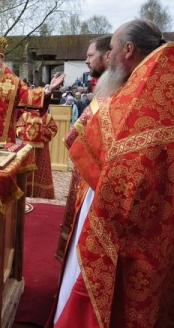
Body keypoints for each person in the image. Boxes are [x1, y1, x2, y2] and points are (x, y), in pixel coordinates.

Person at [49, 20, 174, 327]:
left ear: (128, 50)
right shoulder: (152, 84)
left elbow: (96, 146)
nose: (108, 58)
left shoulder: (142, 96)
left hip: (129, 218)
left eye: (114, 49)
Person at [55, 35, 111, 262]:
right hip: (91, 172)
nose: (86, 61)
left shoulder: (114, 90)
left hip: (97, 178)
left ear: (108, 55)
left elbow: (73, 135)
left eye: (89, 55)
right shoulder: (109, 88)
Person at [15, 108, 58, 199]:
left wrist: (39, 133)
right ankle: (25, 190)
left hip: (42, 150)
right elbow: (18, 127)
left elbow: (53, 130)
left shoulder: (48, 117)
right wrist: (29, 133)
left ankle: (43, 193)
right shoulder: (25, 116)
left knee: (41, 168)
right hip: (27, 149)